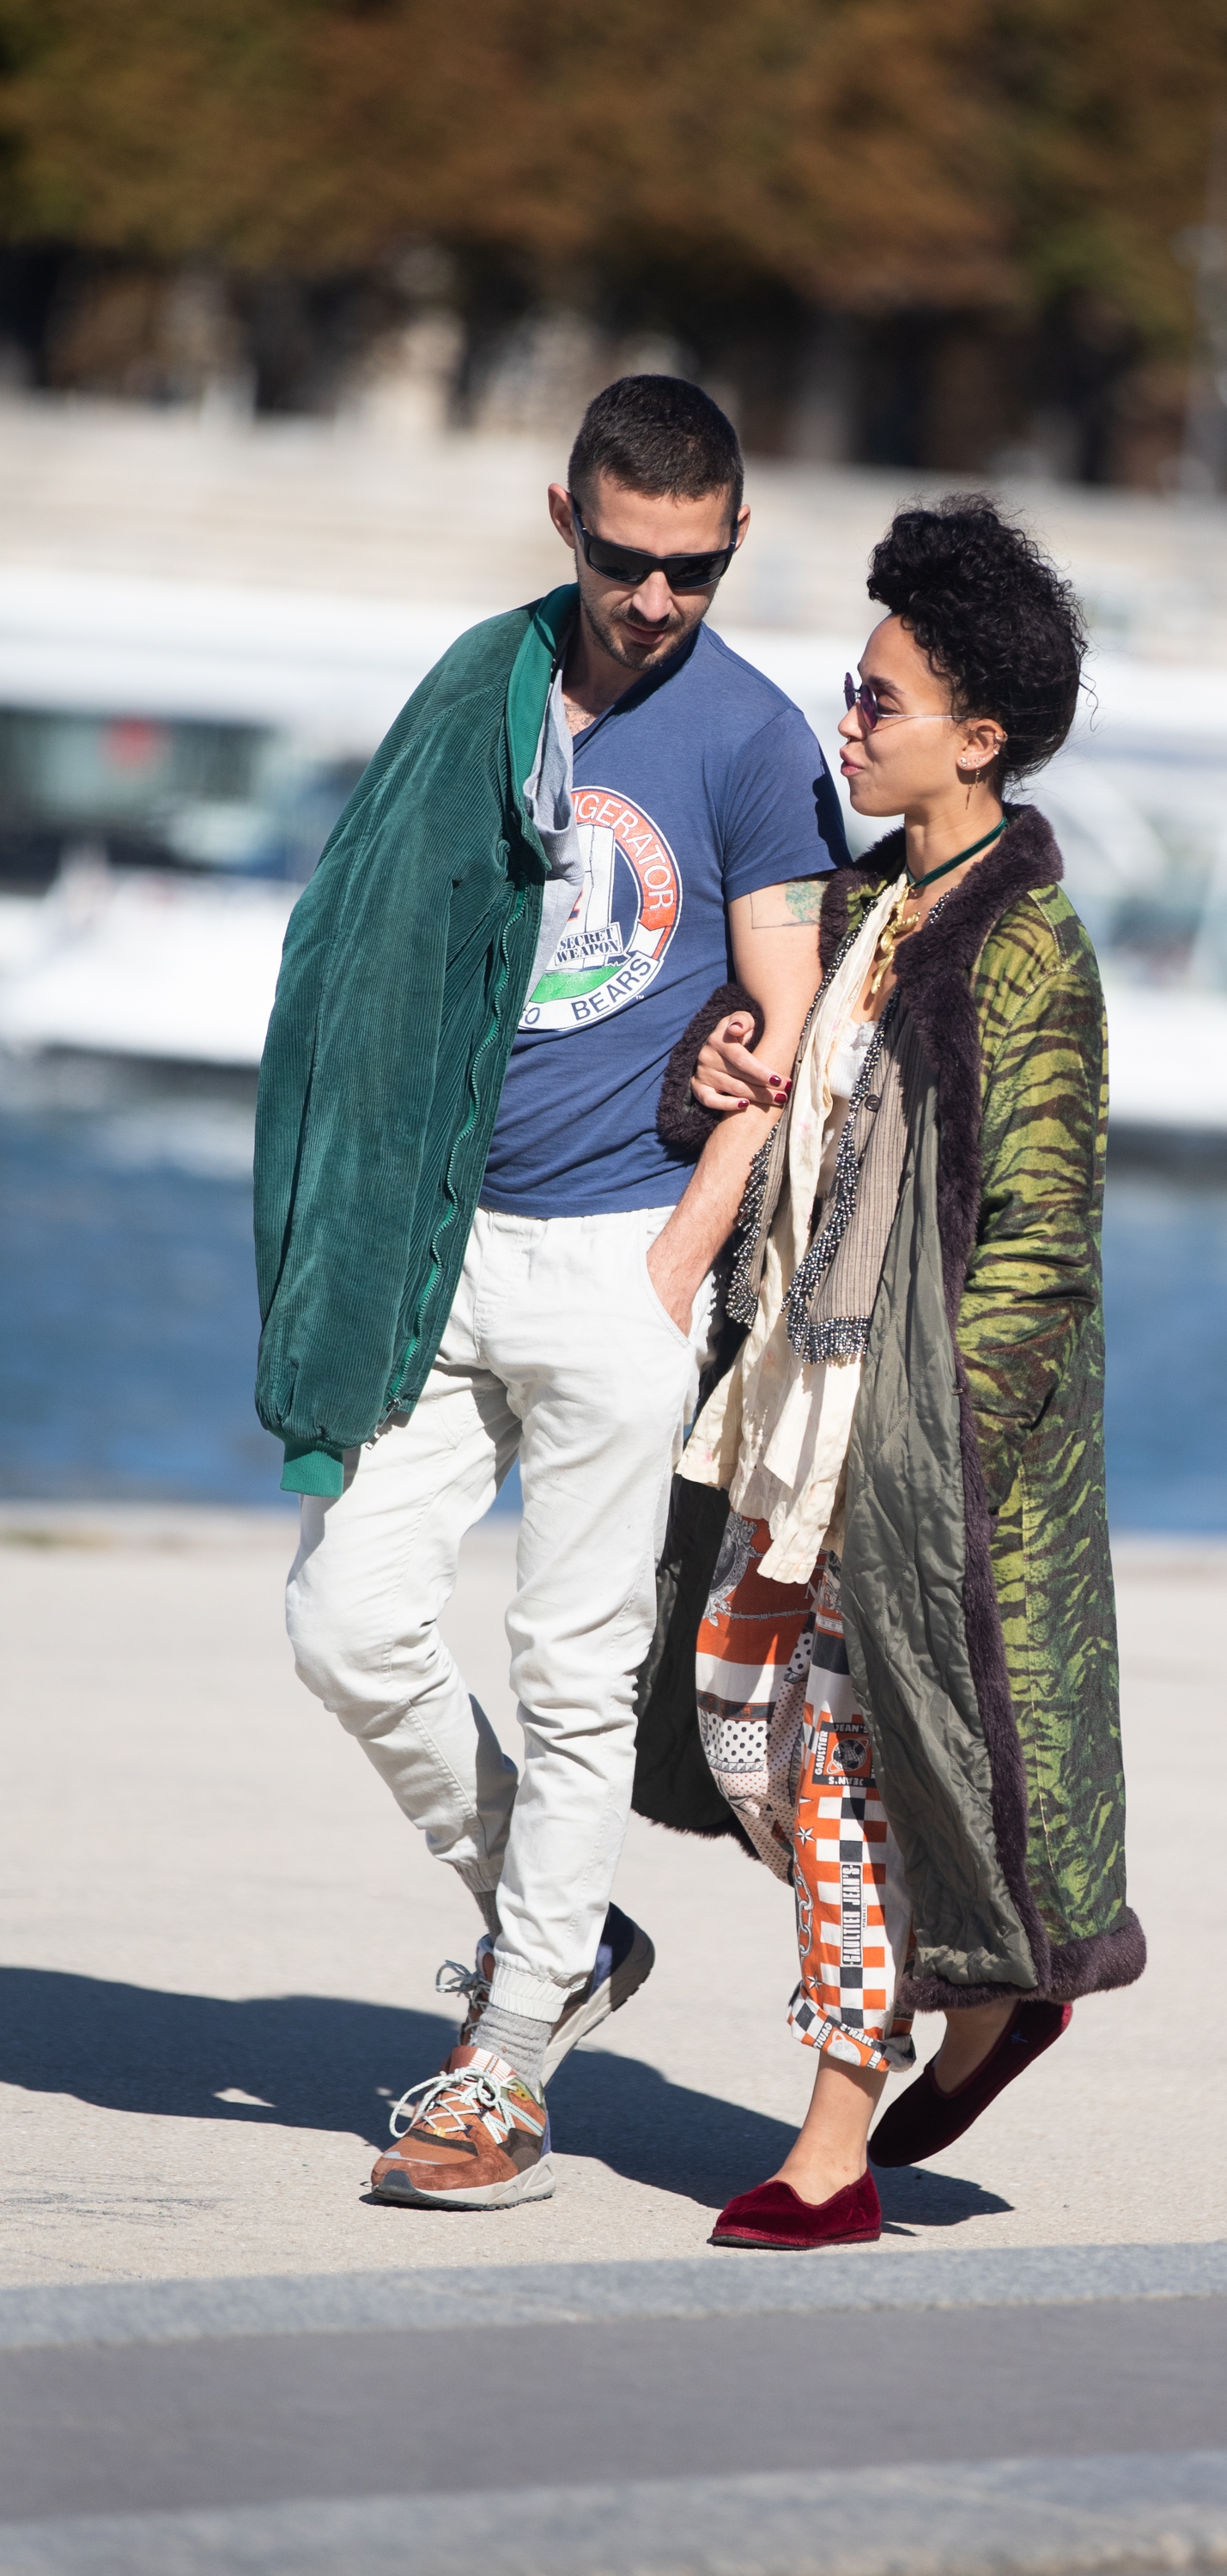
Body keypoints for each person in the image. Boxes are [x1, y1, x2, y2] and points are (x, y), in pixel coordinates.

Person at [253, 376, 842, 2208]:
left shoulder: (749, 745)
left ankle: (504, 2068)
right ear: (564, 519)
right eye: (621, 558)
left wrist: (682, 1256)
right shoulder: (478, 687)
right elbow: (362, 939)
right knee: (346, 1624)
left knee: (577, 1672)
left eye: (689, 568)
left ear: (732, 540)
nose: (652, 601)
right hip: (433, 1239)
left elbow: (791, 1024)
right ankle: (565, 1939)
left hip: (616, 1254)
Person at [642, 495, 1145, 2250]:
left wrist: (942, 1449)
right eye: (850, 691)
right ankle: (991, 1995)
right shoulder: (859, 907)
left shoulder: (1026, 951)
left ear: (976, 739)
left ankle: (832, 2143)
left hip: (907, 1446)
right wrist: (708, 1072)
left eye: (878, 701)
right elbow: (774, 1110)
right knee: (738, 1732)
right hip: (787, 1401)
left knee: (845, 1771)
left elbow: (1039, 1244)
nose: (845, 721)